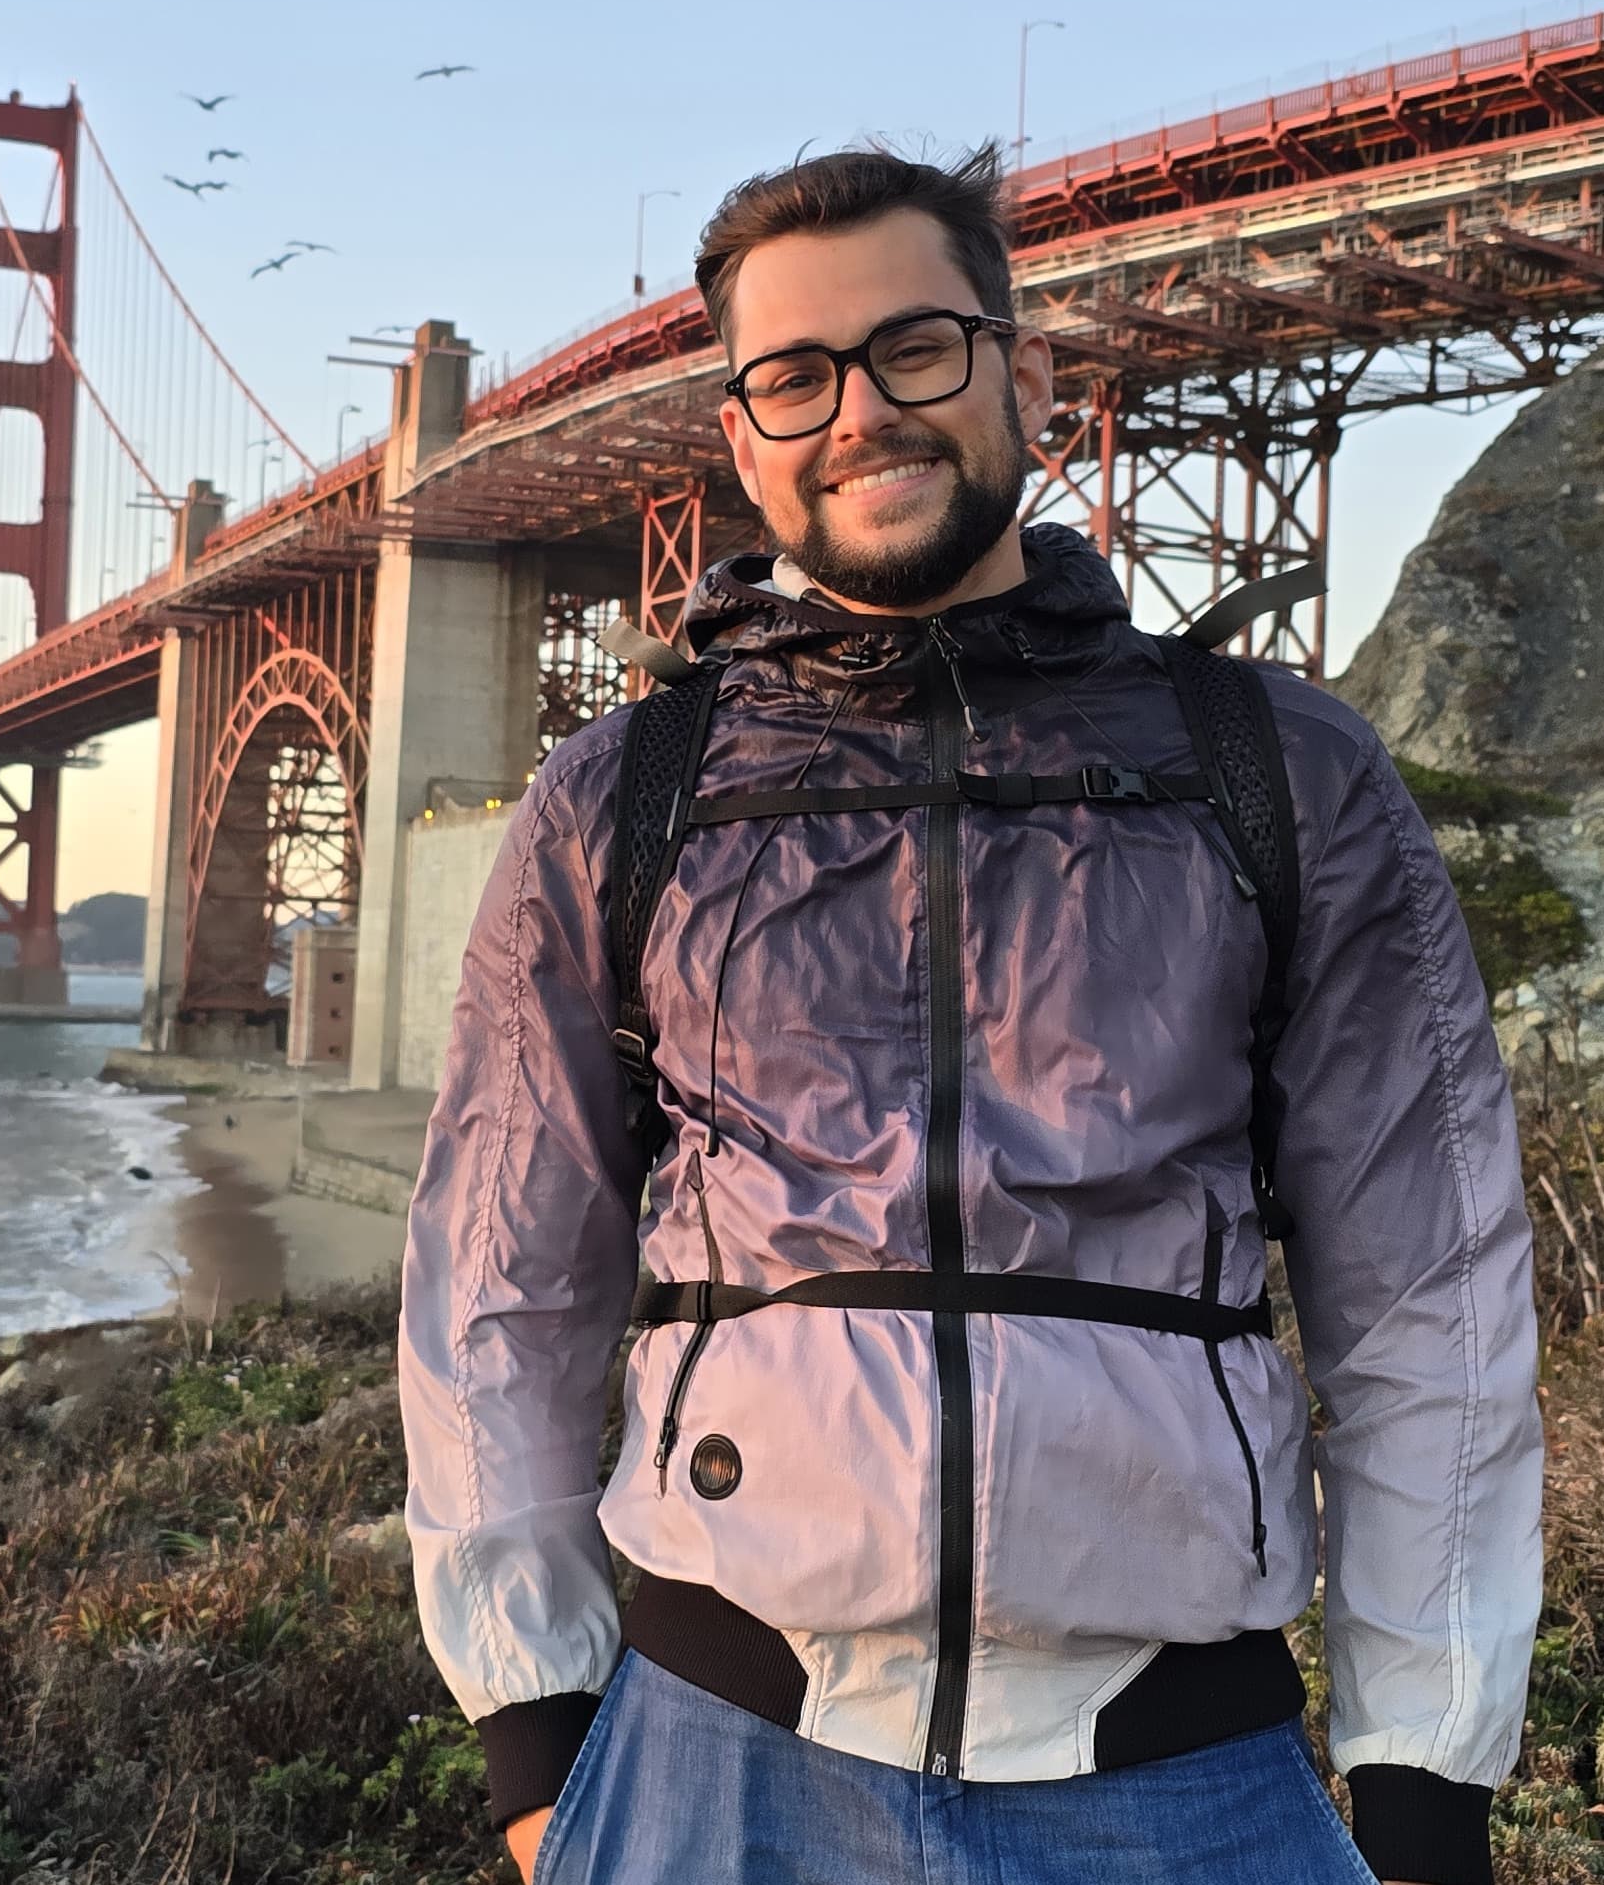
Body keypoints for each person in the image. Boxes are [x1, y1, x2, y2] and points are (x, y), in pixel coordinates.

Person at [398, 145, 1539, 1885]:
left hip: (1185, 1778)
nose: (860, 412)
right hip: (714, 1764)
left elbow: (1428, 1297)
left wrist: (1423, 1776)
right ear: (741, 435)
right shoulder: (617, 803)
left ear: (1028, 371)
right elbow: (502, 1274)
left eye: (917, 346)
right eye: (795, 375)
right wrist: (539, 1729)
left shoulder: (1279, 774)